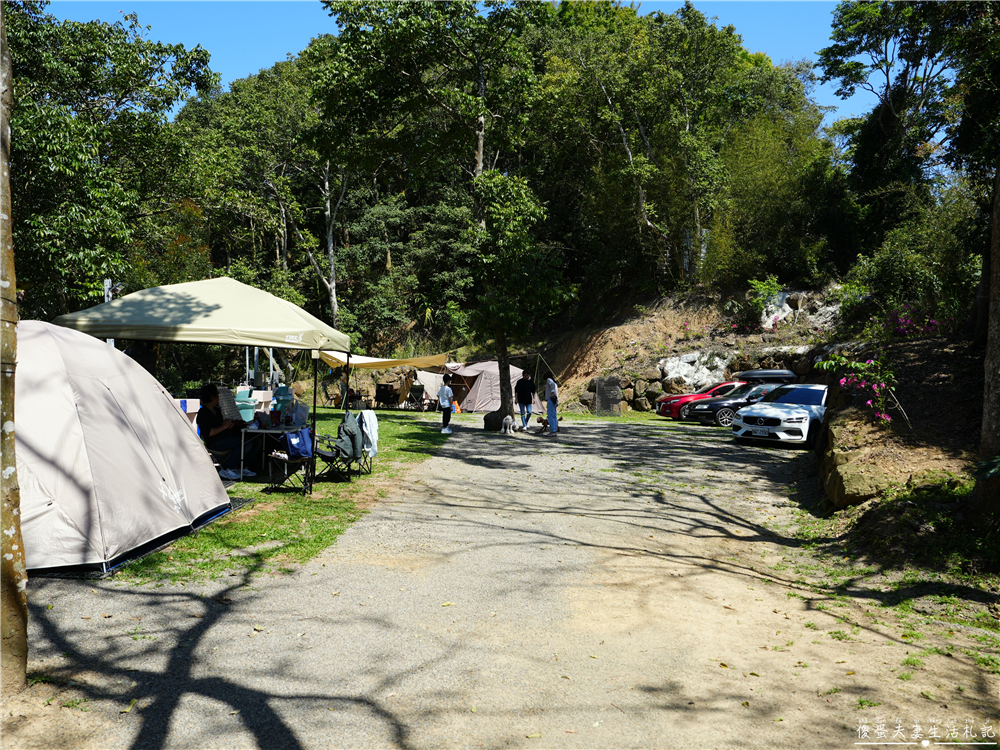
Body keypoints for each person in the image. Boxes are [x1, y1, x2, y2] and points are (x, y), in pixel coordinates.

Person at [196, 383, 260, 480]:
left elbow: (222, 425)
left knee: (256, 441)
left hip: (227, 437)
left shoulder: (217, 411)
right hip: (215, 442)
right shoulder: (203, 413)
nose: (219, 398)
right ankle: (226, 468)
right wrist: (223, 426)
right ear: (212, 397)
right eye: (217, 395)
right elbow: (208, 433)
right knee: (246, 443)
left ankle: (241, 467)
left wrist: (229, 425)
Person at [543, 370, 559, 436]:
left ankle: (552, 431)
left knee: (550, 416)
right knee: (554, 416)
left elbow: (552, 386)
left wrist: (552, 393)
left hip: (551, 399)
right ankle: (555, 430)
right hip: (555, 399)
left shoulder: (549, 380)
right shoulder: (554, 381)